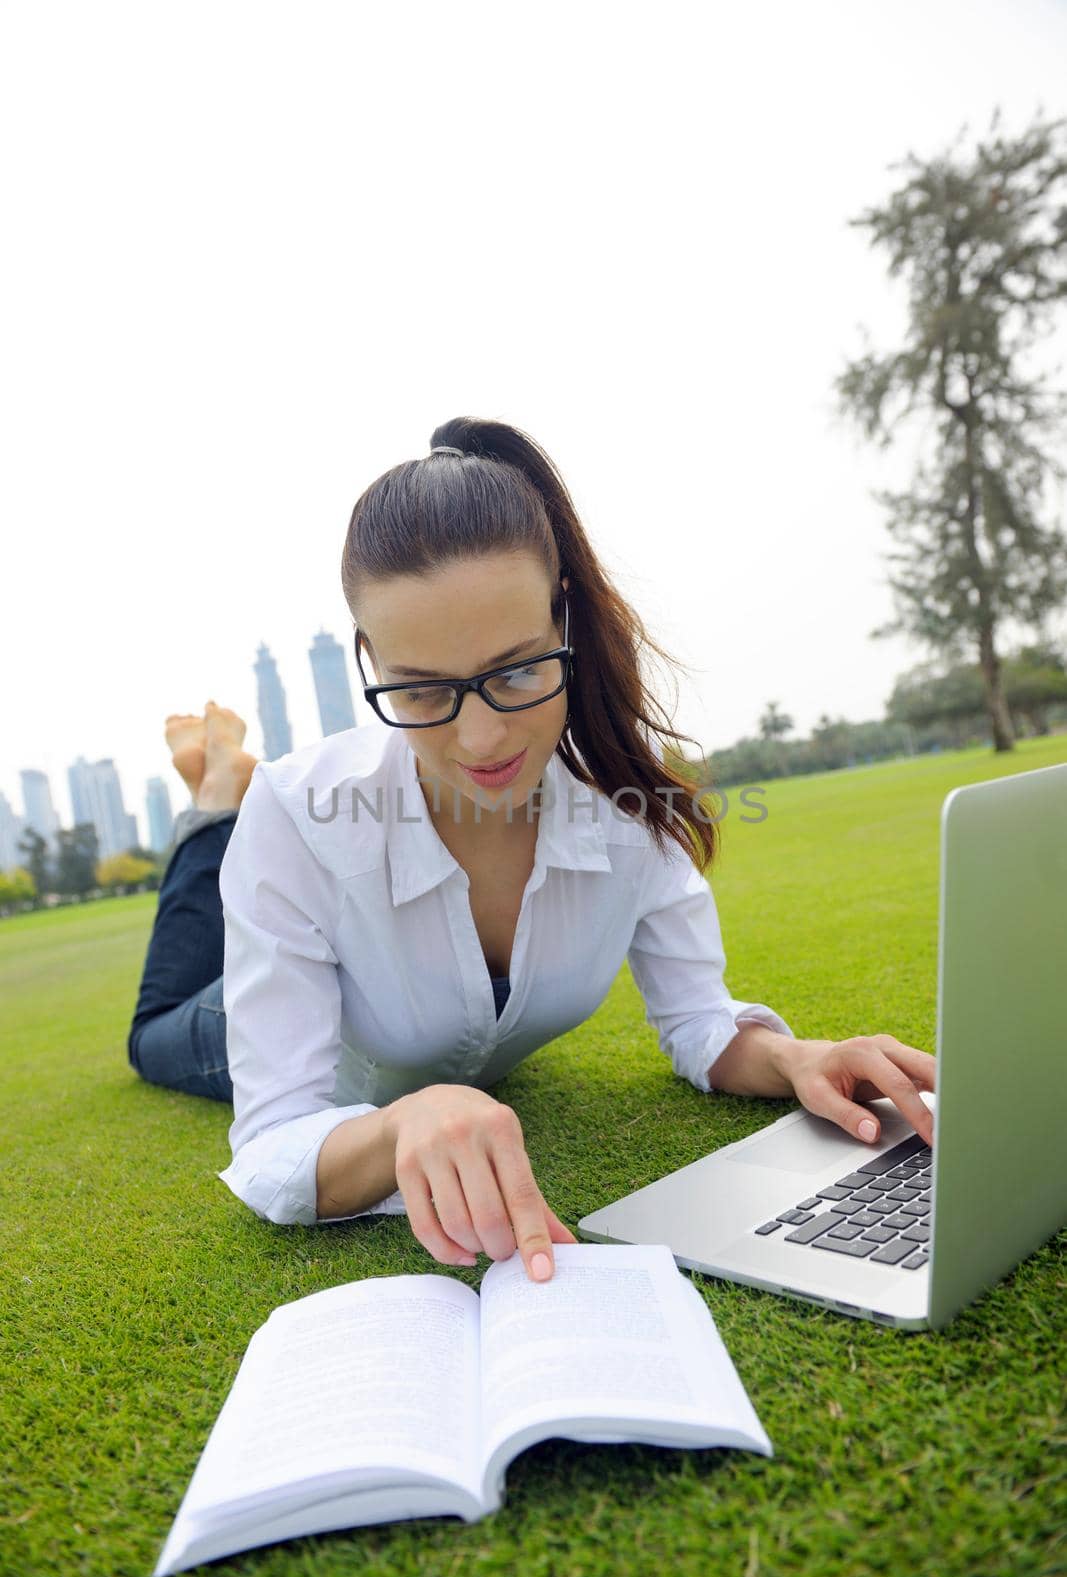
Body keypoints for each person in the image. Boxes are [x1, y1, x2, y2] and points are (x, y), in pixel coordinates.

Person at [127, 416, 936, 1286]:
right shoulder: (299, 810)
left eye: (515, 671)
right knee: (154, 1032)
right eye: (424, 689)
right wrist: (401, 1123)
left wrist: (795, 1057)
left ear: (564, 617)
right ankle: (214, 799)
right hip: (268, 1022)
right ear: (369, 660)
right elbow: (273, 1141)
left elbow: (700, 1021)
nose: (481, 738)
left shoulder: (627, 807)